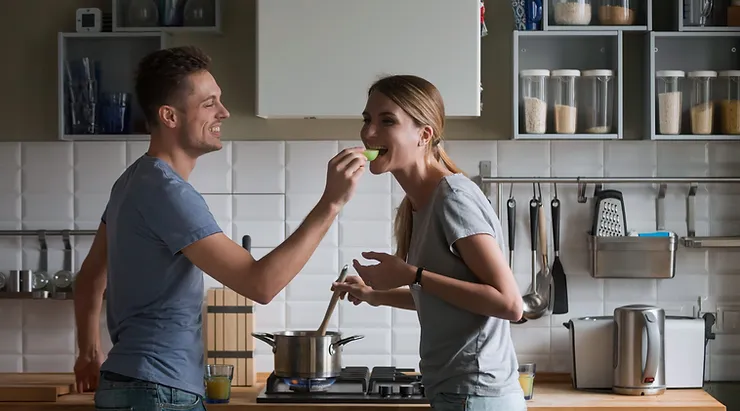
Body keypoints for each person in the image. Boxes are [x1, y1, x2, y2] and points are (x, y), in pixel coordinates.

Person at [72, 46, 368, 411]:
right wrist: (331, 204)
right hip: (158, 391)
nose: (224, 112)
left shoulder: (132, 180)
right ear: (170, 116)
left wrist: (89, 351)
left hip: (131, 384)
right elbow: (260, 285)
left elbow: (89, 278)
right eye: (210, 103)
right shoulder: (168, 192)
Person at [331, 74, 526, 411]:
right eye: (367, 120)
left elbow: (510, 305)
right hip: (457, 392)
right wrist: (375, 294)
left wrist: (412, 274)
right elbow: (443, 299)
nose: (368, 133)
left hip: (476, 393)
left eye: (386, 121)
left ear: (424, 134)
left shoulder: (453, 197)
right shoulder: (417, 204)